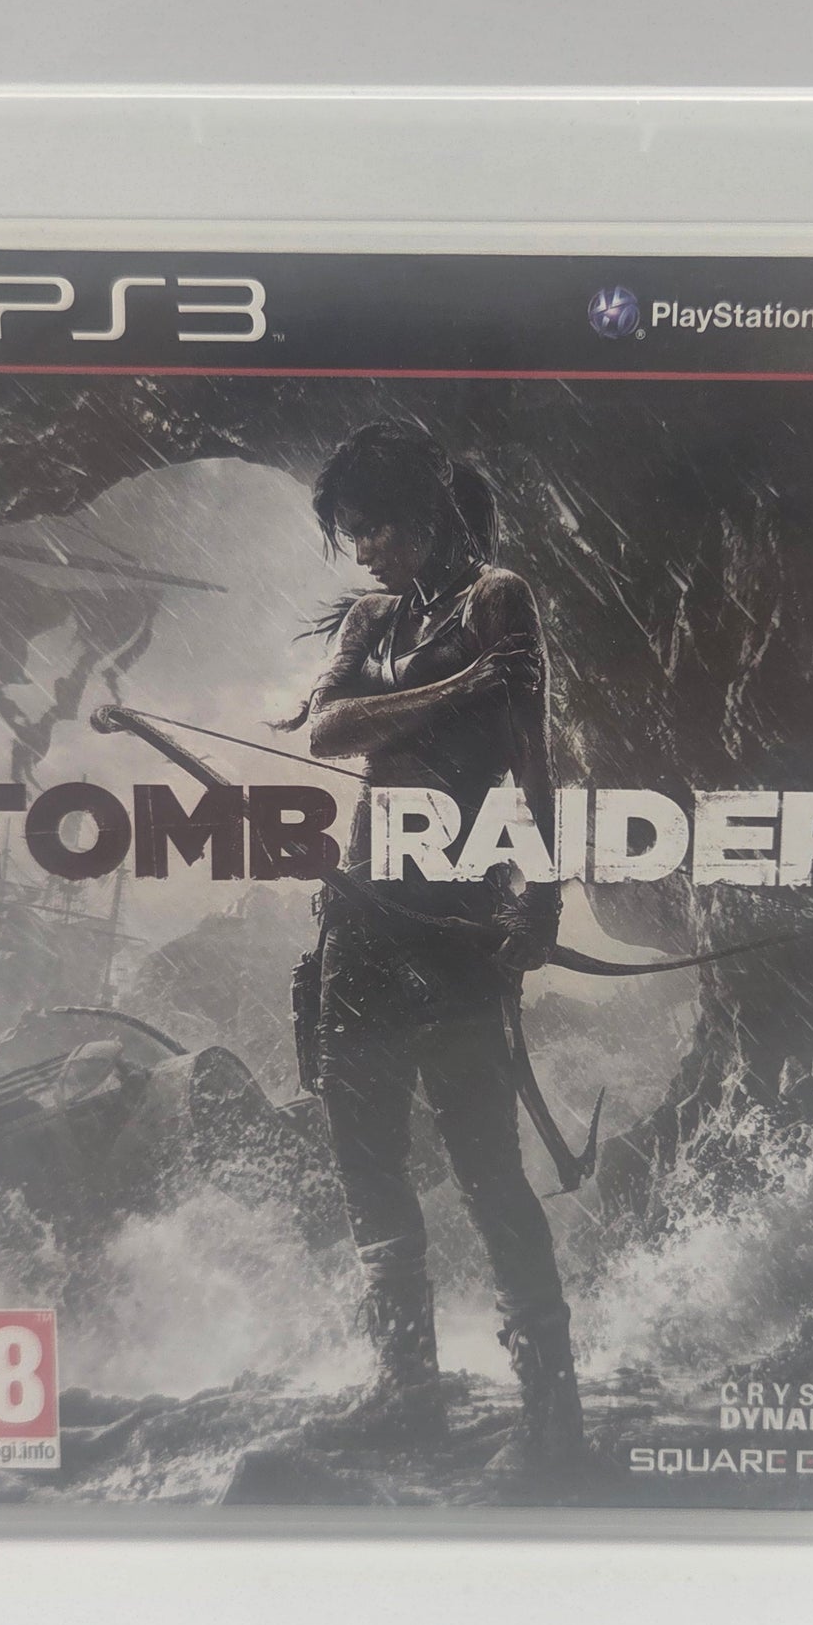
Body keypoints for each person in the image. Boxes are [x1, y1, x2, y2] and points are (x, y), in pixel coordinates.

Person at [291, 420, 582, 1471]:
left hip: (458, 913)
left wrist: (541, 900)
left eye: (375, 527)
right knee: (364, 1153)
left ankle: (551, 1412)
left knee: (484, 1164)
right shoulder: (372, 618)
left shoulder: (498, 597)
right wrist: (457, 689)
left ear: (424, 515)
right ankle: (406, 1390)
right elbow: (328, 729)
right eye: (352, 532)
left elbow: (532, 761)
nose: (364, 550)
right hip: (362, 911)